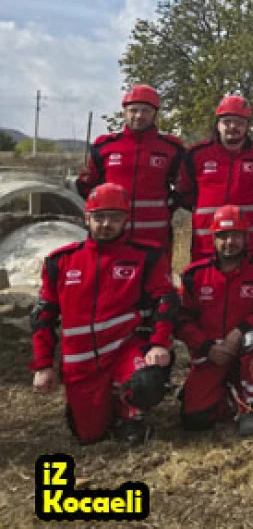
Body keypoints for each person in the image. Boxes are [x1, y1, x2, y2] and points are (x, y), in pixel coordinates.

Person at [30, 183, 178, 445]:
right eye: (99, 217)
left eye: (115, 217)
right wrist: (43, 365)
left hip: (125, 348)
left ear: (126, 220)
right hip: (80, 361)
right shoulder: (60, 261)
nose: (106, 224)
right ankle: (99, 403)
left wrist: (159, 343)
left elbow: (166, 301)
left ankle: (131, 415)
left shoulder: (147, 255)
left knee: (148, 378)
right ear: (87, 218)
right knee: (89, 436)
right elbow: (42, 316)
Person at [176, 205, 253, 436]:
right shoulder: (194, 275)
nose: (230, 242)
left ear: (245, 237)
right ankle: (225, 394)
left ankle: (249, 406)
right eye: (223, 236)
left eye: (236, 235)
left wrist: (240, 331)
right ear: (213, 238)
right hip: (210, 354)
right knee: (194, 420)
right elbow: (180, 320)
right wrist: (208, 347)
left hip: (246, 351)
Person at [76, 85, 185, 250]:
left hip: (155, 233)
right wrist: (103, 211)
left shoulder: (171, 147)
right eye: (133, 110)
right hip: (112, 233)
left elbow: (183, 186)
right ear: (124, 113)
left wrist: (165, 207)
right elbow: (85, 184)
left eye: (146, 110)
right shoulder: (105, 146)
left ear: (155, 114)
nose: (139, 116)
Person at [177, 95, 253, 258]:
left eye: (239, 122)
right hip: (205, 245)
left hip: (250, 247)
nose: (232, 127)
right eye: (227, 122)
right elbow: (185, 195)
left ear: (248, 126)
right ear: (217, 124)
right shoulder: (196, 154)